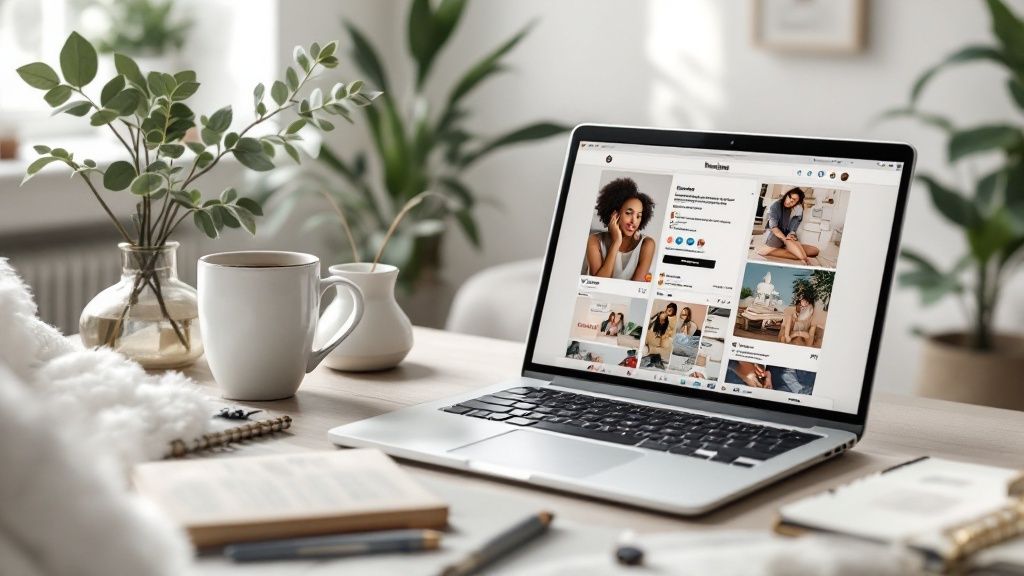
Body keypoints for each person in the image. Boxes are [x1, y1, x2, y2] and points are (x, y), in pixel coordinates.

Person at [585, 177, 657, 281]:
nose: (634, 221)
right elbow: (598, 284)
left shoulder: (647, 244)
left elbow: (635, 289)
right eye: (628, 213)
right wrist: (616, 243)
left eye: (638, 216)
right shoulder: (594, 241)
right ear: (614, 214)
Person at [756, 187, 820, 265]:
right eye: (790, 198)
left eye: (794, 201)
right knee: (798, 253)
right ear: (787, 195)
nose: (790, 201)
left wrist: (792, 234)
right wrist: (785, 239)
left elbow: (793, 228)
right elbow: (774, 228)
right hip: (775, 236)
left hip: (787, 240)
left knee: (815, 251)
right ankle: (804, 259)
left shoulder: (798, 210)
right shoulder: (776, 206)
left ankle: (776, 251)